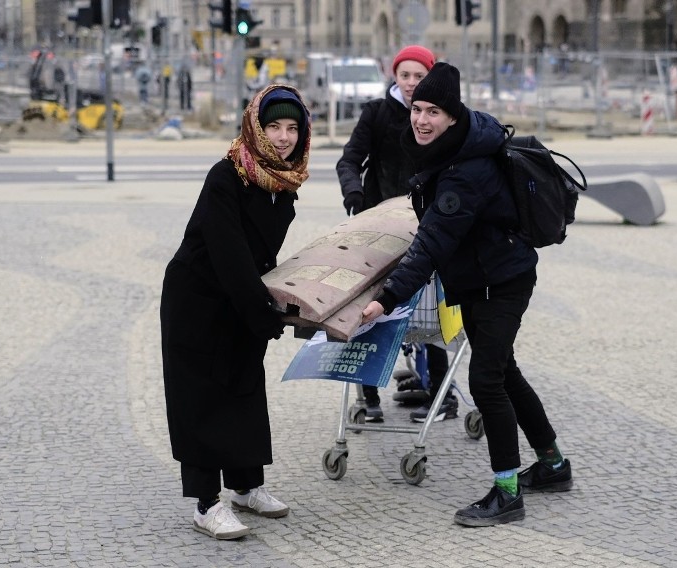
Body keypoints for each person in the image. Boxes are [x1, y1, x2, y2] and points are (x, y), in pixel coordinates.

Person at [360, 62, 572, 527]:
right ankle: (553, 465)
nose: (421, 119)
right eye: (417, 108)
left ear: (453, 116)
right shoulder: (452, 150)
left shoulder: (464, 171)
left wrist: (386, 298)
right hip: (481, 278)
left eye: (433, 111)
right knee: (505, 373)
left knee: (486, 381)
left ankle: (507, 493)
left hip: (502, 282)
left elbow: (433, 241)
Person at [160, 84, 311, 540]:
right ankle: (207, 504)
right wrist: (264, 314)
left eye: (292, 128)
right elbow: (229, 255)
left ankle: (247, 485)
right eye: (273, 126)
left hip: (243, 297)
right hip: (199, 299)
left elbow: (262, 259)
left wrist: (278, 303)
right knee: (202, 396)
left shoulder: (284, 183)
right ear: (255, 127)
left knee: (245, 385)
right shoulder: (226, 176)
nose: (283, 137)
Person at [336, 45, 458, 424]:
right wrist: (353, 191)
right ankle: (368, 396)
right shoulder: (376, 113)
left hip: (424, 225)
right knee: (368, 308)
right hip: (377, 224)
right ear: (394, 76)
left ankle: (440, 392)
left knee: (427, 311)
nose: (410, 83)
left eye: (418, 76)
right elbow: (350, 158)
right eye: (403, 75)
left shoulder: (437, 117)